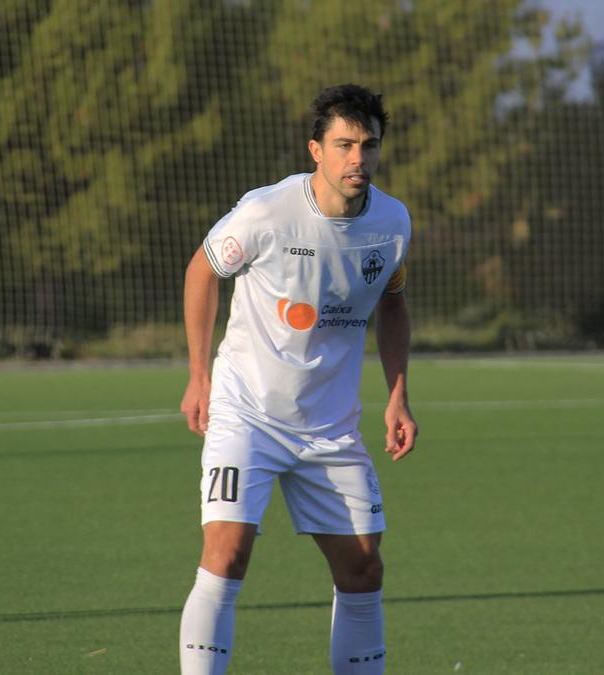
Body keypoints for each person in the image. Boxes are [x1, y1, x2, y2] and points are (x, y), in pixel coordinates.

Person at [178, 84, 417, 674]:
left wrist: (397, 397)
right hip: (247, 412)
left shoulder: (392, 222)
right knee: (227, 551)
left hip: (329, 425)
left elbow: (392, 302)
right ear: (316, 149)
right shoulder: (267, 212)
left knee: (363, 565)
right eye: (344, 145)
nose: (357, 158)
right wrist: (198, 375)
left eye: (368, 145)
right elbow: (203, 270)